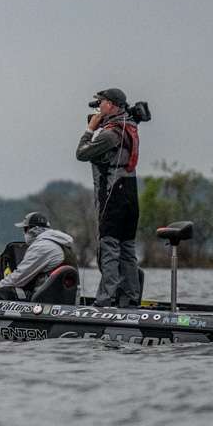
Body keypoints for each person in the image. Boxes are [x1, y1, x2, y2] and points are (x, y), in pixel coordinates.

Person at [76, 87, 141, 306]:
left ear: (111, 105)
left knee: (110, 248)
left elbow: (81, 153)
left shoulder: (110, 133)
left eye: (101, 103)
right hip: (131, 195)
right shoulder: (130, 126)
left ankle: (105, 301)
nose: (98, 106)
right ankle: (130, 299)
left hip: (113, 197)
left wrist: (90, 128)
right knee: (127, 249)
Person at [0, 212, 77, 301]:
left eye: (25, 229)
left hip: (48, 301)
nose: (24, 233)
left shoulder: (42, 246)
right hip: (65, 299)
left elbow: (19, 278)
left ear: (33, 230)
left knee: (3, 291)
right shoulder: (60, 244)